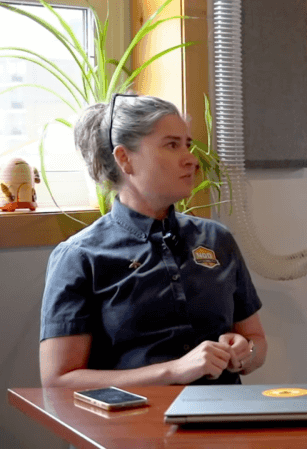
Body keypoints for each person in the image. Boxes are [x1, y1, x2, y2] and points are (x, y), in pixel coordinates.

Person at [39, 94, 267, 388]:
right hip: (128, 428)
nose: (191, 159)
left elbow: (256, 341)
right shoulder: (80, 256)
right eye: (172, 145)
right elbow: (59, 381)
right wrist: (174, 371)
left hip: (223, 423)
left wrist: (245, 352)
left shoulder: (217, 239)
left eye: (187, 144)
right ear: (125, 159)